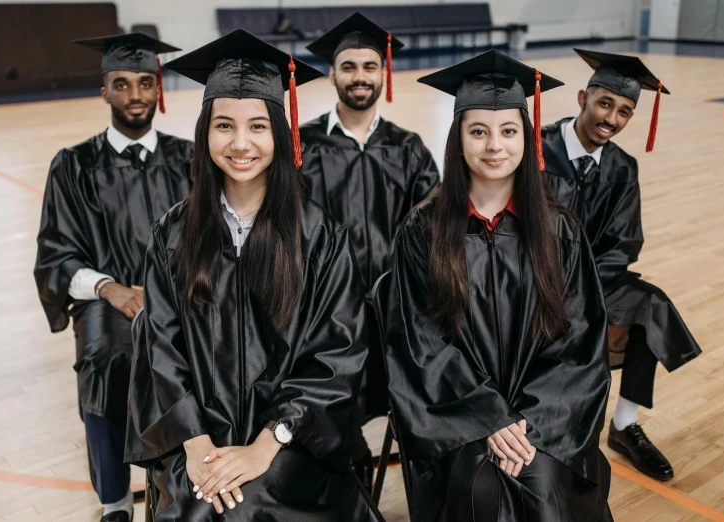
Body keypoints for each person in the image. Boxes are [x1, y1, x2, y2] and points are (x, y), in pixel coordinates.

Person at [124, 29, 384, 522]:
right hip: (196, 443)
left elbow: (337, 354)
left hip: (293, 445)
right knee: (206, 507)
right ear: (205, 134)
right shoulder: (174, 234)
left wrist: (265, 446)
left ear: (280, 136)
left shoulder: (320, 237)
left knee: (251, 506)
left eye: (258, 127)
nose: (240, 144)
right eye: (224, 126)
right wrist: (197, 446)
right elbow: (159, 346)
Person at [385, 49, 613, 521]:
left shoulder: (559, 231)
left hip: (545, 421)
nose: (495, 146)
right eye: (478, 132)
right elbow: (419, 344)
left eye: (509, 132)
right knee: (481, 490)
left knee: (542, 486)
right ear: (458, 139)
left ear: (527, 140)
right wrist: (488, 416)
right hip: (456, 418)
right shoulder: (423, 231)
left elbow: (580, 344)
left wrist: (529, 422)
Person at [34, 33, 193, 522]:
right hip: (107, 301)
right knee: (105, 358)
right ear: (104, 91)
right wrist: (111, 288)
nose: (135, 94)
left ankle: (187, 479)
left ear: (158, 86)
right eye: (121, 84)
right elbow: (56, 254)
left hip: (182, 296)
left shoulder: (190, 159)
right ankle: (115, 501)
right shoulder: (75, 166)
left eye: (145, 82)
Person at [541, 49, 702, 481]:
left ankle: (625, 425)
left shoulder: (622, 168)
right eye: (605, 103)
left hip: (592, 280)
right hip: (532, 281)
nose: (612, 118)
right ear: (582, 98)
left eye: (625, 111)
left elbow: (623, 243)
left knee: (650, 306)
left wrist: (584, 287)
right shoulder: (536, 149)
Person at [300, 12, 441, 486]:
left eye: (369, 66)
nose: (359, 76)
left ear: (384, 74)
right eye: (348, 66)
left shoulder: (409, 148)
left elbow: (433, 229)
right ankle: (346, 477)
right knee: (332, 407)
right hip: (322, 306)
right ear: (333, 73)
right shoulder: (302, 146)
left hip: (395, 303)